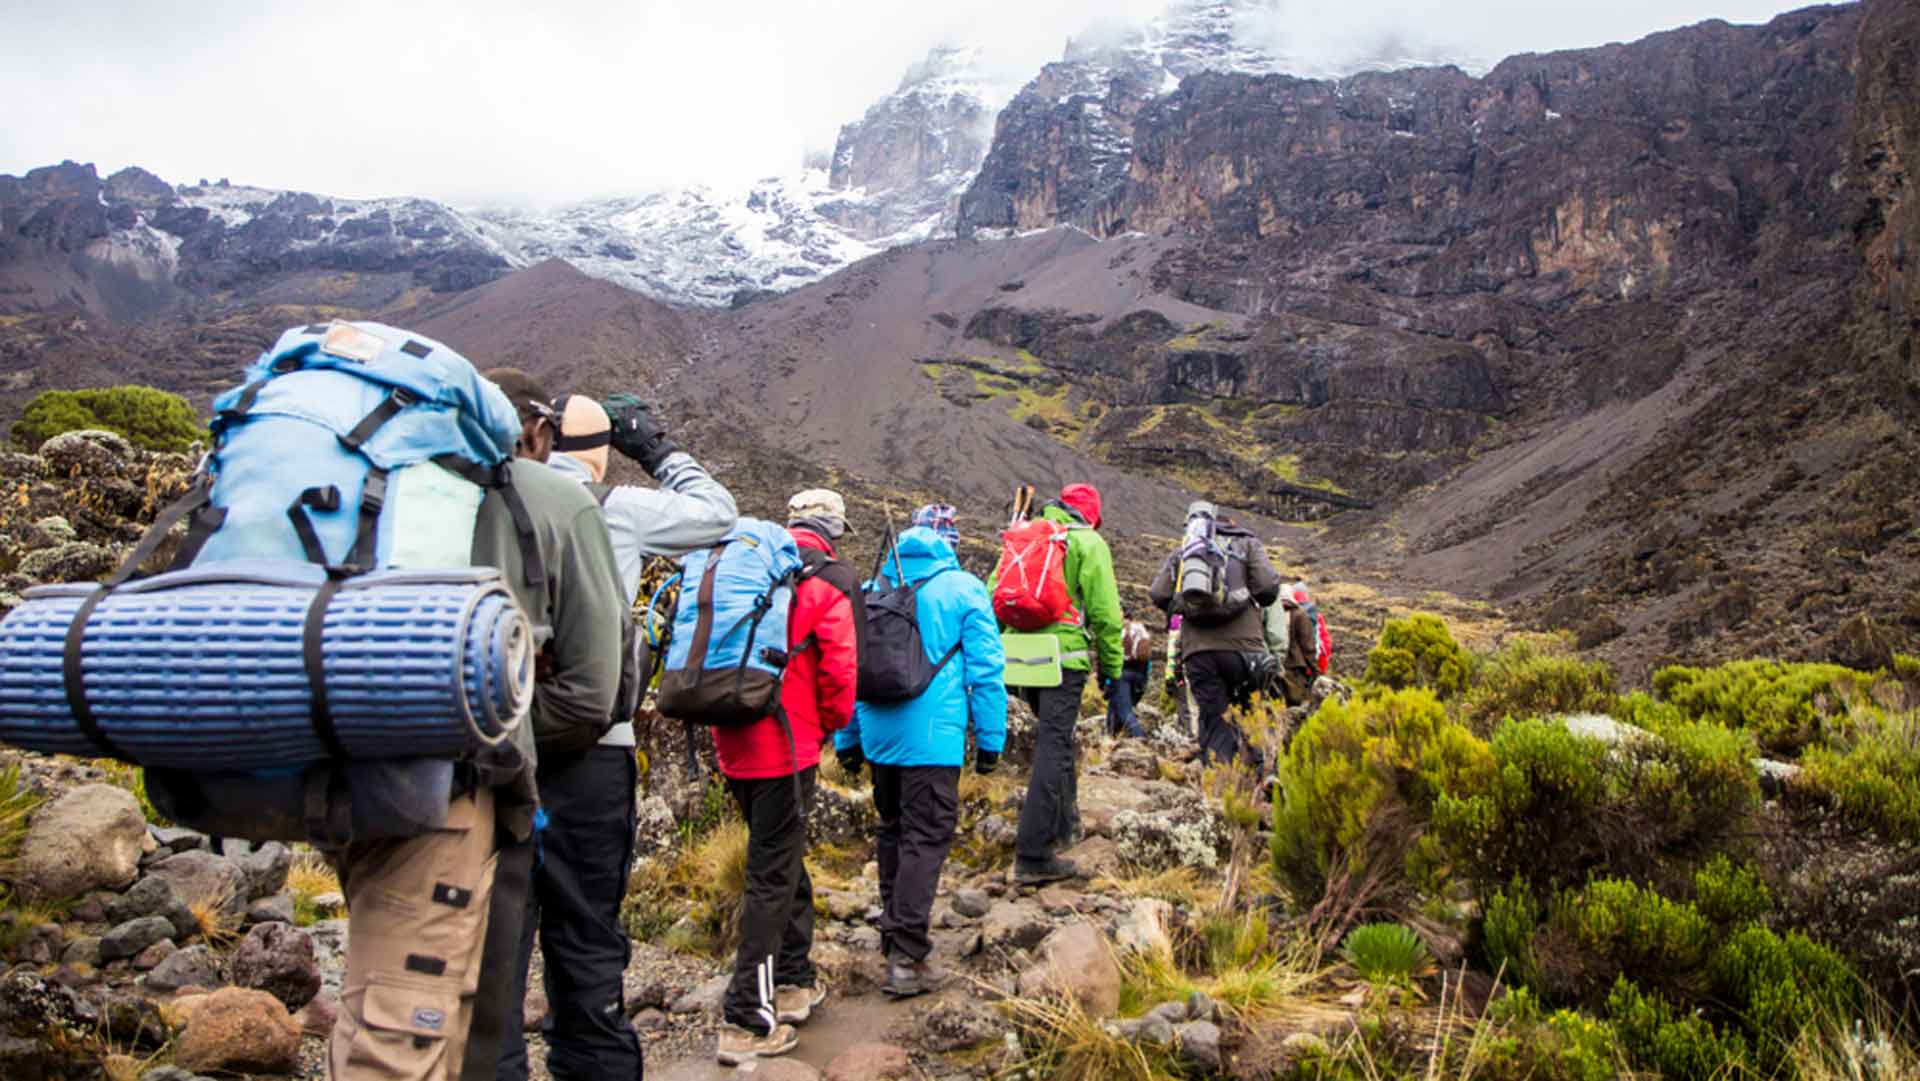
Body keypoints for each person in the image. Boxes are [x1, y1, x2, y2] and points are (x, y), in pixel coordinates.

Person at [331, 367, 625, 1081]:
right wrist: (506, 723)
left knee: (409, 997)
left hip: (377, 781)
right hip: (507, 788)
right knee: (532, 985)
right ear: (536, 429)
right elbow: (594, 693)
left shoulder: (378, 494)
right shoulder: (559, 501)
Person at [488, 379, 737, 1081]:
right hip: (592, 753)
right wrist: (656, 448)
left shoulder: (477, 499)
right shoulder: (613, 508)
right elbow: (719, 513)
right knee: (588, 945)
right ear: (600, 451)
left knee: (492, 954)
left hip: (492, 745)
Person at [711, 489, 859, 1066]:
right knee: (771, 875)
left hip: (731, 737)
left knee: (779, 857)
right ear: (832, 531)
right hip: (786, 745)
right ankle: (746, 1017)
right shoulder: (826, 583)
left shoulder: (744, 572)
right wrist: (828, 728)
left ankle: (794, 979)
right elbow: (842, 675)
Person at [834, 521, 1007, 997]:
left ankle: (894, 935)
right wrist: (992, 739)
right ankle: (908, 957)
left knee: (892, 831)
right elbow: (987, 671)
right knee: (926, 837)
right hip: (934, 739)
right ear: (944, 549)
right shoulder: (963, 588)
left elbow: (846, 669)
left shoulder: (870, 589)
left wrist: (846, 739)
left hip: (877, 735)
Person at [998, 483, 1123, 886]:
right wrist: (1112, 669)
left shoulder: (1025, 536)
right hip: (1062, 658)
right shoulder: (1088, 543)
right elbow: (1105, 614)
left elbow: (992, 595)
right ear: (1092, 514)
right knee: (1053, 746)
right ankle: (1033, 854)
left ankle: (1066, 827)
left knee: (1056, 741)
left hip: (1015, 659)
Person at [1150, 503, 1281, 769]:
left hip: (1200, 652)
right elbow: (1268, 589)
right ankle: (1265, 775)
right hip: (1246, 651)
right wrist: (1243, 595)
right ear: (1229, 524)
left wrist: (1184, 607)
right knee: (1251, 712)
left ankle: (1220, 786)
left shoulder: (1186, 552)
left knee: (1214, 720)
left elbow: (1158, 594)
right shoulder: (1246, 544)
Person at [1273, 584, 1321, 707]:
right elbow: (1307, 646)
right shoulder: (1300, 615)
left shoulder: (1272, 614)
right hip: (1295, 668)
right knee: (1296, 705)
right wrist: (1315, 670)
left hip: (1273, 666)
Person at [1106, 619, 1152, 738]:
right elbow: (1148, 660)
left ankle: (1139, 739)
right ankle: (1110, 736)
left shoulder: (1117, 630)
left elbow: (1109, 658)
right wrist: (1144, 681)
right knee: (1115, 706)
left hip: (1121, 675)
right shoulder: (1142, 631)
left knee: (1125, 711)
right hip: (1139, 675)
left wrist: (1106, 682)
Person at [1165, 614, 1197, 738]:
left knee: (1184, 707)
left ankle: (1189, 734)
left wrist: (1170, 679)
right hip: (1190, 672)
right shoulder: (1189, 635)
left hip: (1179, 676)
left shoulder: (1174, 637)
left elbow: (1171, 660)